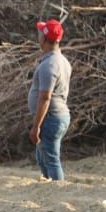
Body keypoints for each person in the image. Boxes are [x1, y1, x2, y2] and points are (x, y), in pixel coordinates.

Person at [28, 19, 73, 181]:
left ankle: (58, 192)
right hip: (56, 116)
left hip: (50, 118)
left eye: (40, 33)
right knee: (43, 157)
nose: (38, 36)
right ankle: (49, 190)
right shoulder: (62, 61)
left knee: (51, 160)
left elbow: (45, 98)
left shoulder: (50, 65)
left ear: (44, 39)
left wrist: (36, 127)